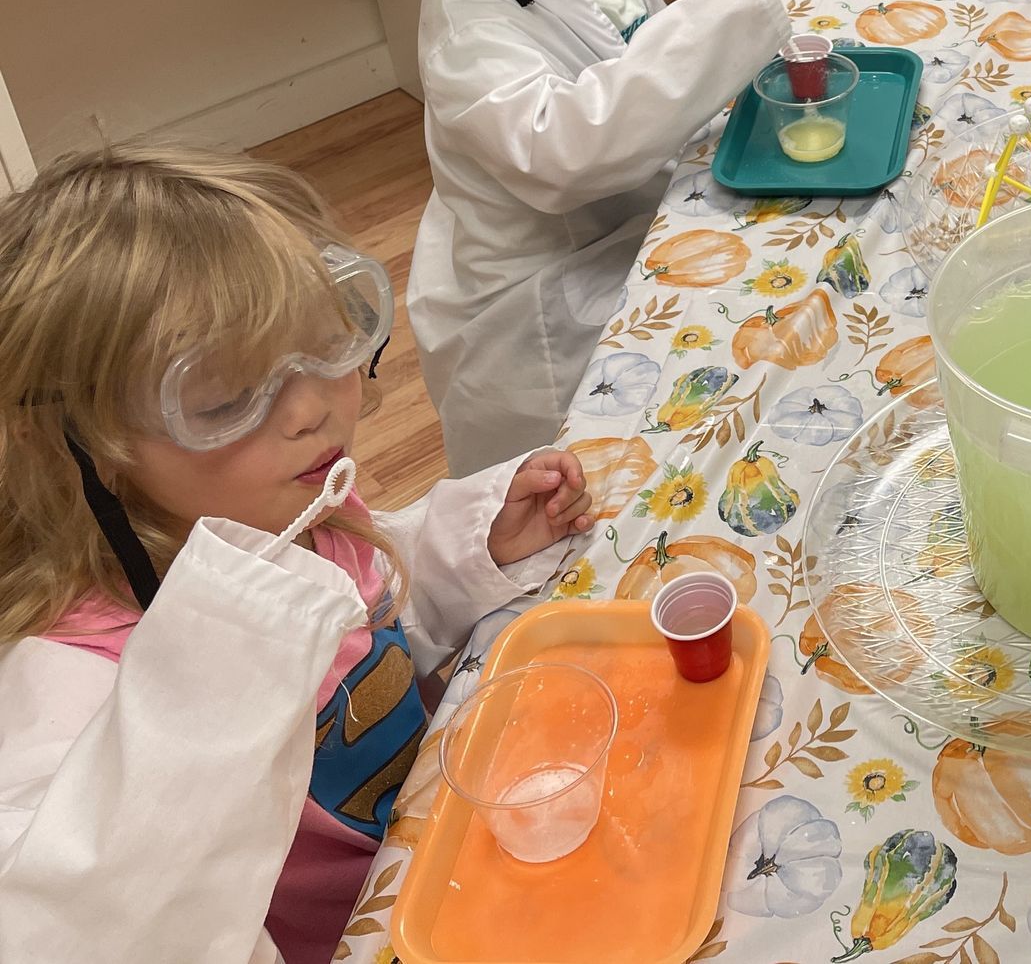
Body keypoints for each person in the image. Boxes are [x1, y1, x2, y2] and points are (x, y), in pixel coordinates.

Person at [0, 146, 598, 963]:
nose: (313, 408)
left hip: (456, 854)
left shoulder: (302, 506)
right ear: (82, 445)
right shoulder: (70, 676)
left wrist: (474, 547)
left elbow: (371, 618)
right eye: (226, 397)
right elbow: (63, 923)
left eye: (328, 343)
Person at [378, 0, 791, 474]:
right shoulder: (467, 23)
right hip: (539, 303)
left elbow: (641, 57)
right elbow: (564, 155)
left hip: (630, 222)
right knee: (587, 477)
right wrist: (737, 16)